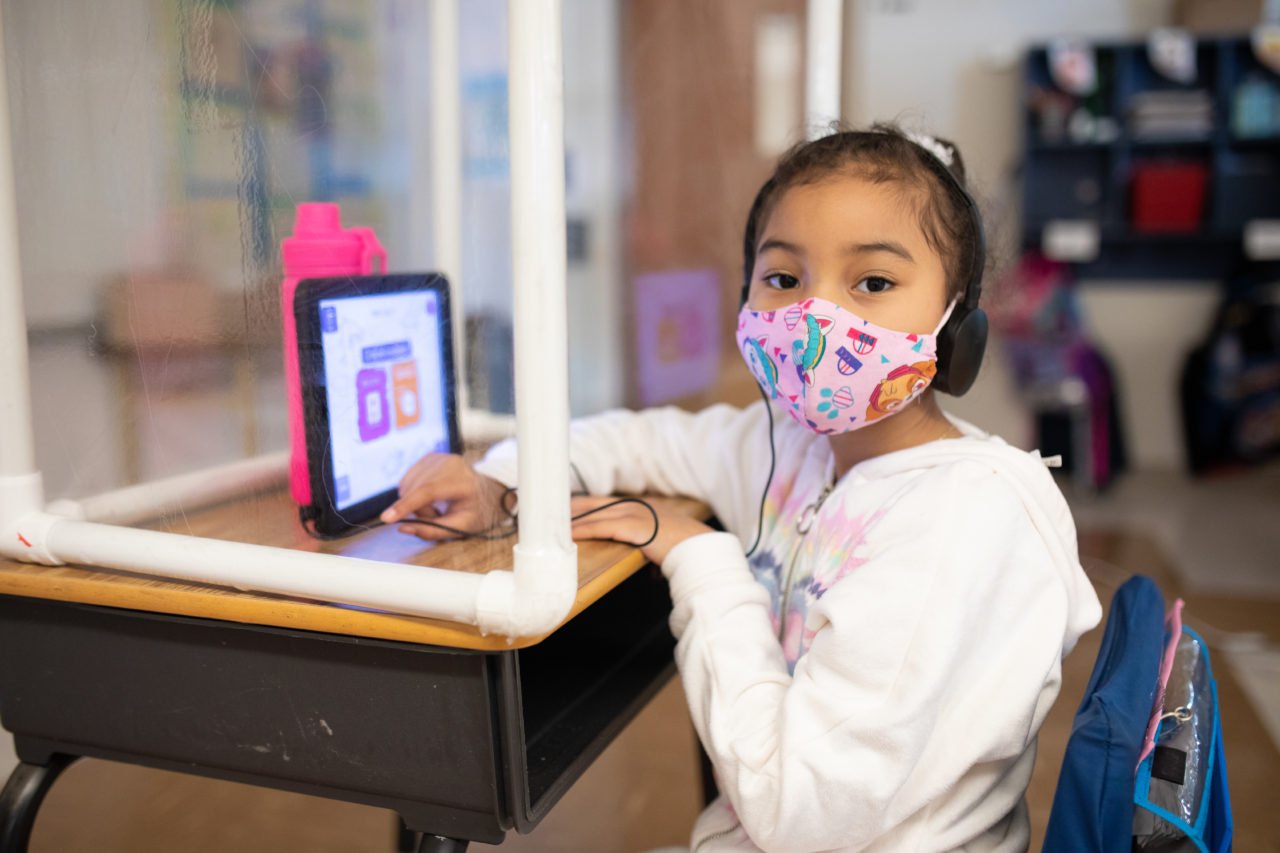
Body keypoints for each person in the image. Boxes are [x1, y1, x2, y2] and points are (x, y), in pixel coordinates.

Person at [381, 124, 1102, 852]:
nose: (816, 318)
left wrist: (695, 551)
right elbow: (639, 438)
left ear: (955, 327)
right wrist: (503, 482)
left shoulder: (963, 520)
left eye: (874, 283)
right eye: (784, 279)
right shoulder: (795, 449)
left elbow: (799, 816)